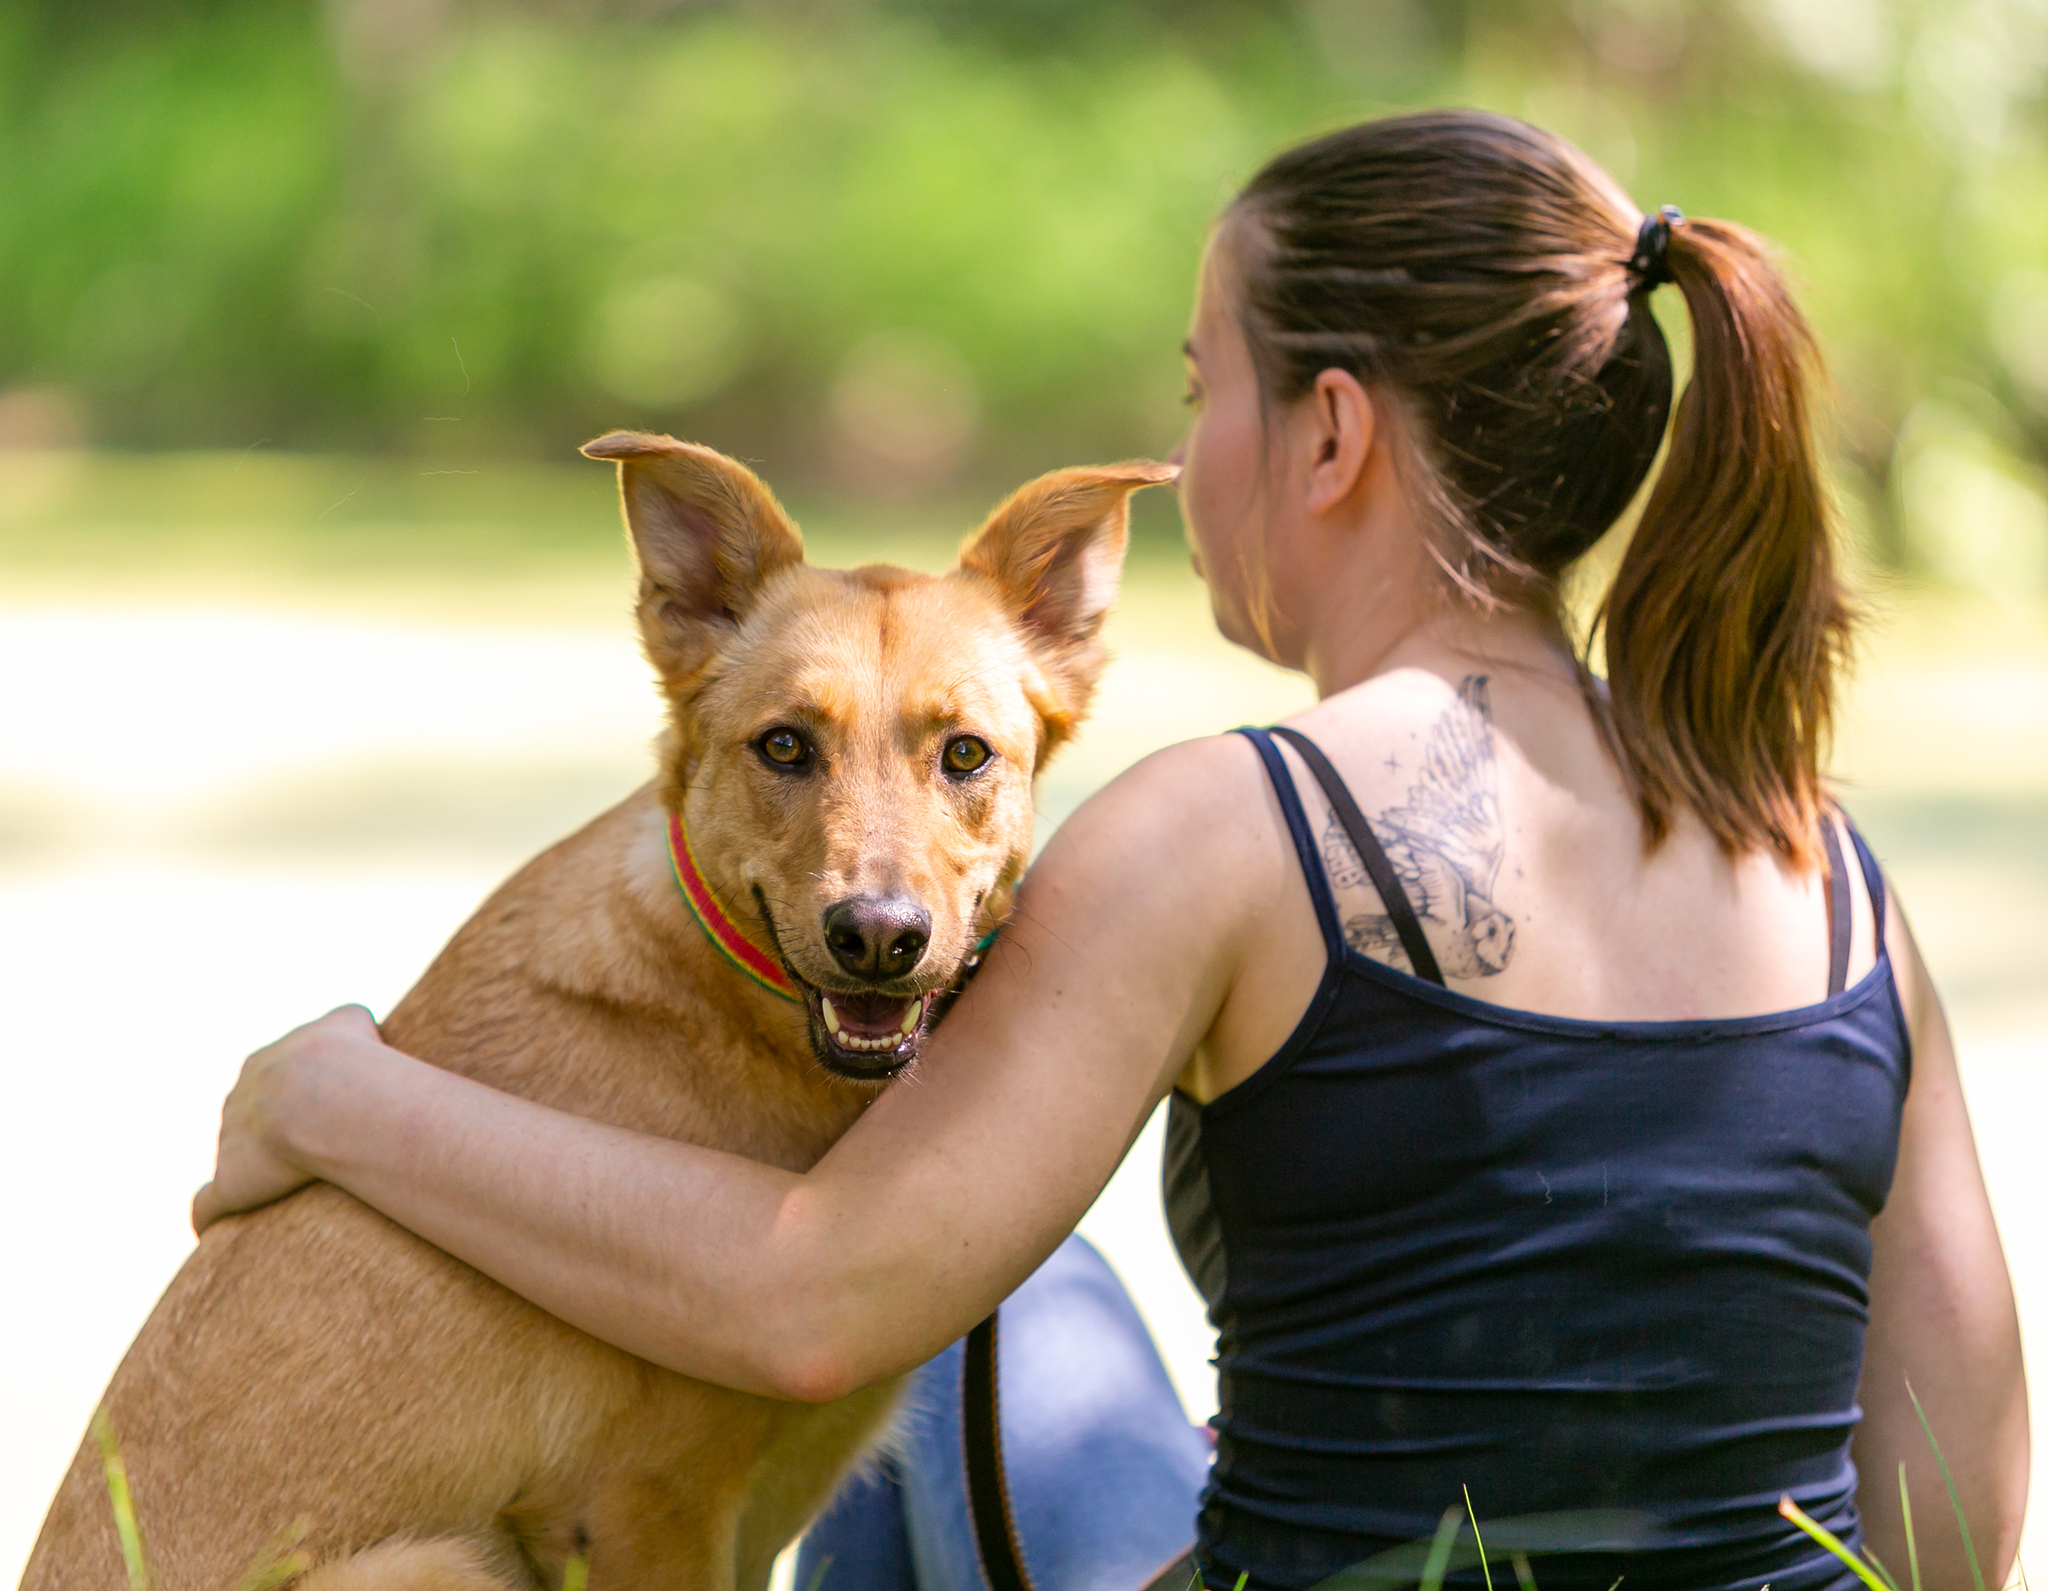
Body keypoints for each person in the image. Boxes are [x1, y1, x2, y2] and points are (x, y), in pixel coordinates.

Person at [194, 111, 2026, 1591]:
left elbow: (818, 1302)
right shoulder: (1826, 861)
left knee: (1000, 1295)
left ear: (1326, 435)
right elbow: (1958, 1516)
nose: (1183, 449)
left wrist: (335, 1098)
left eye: (1196, 385)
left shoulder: (1239, 822)